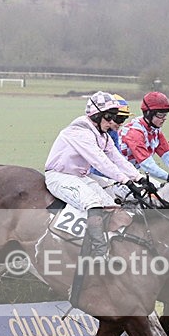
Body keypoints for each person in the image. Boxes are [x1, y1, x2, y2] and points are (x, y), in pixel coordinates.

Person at [44, 91, 143, 261]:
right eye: (109, 117)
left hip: (80, 177)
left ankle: (111, 241)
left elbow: (117, 158)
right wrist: (126, 181)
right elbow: (100, 162)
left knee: (110, 204)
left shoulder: (102, 135)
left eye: (114, 117)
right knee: (93, 203)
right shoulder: (79, 132)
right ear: (96, 115)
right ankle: (99, 252)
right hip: (59, 176)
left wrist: (139, 178)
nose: (112, 122)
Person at [119, 91, 169, 182]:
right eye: (160, 115)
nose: (164, 119)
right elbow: (147, 165)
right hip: (116, 175)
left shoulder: (154, 130)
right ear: (148, 114)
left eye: (165, 115)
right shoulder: (134, 133)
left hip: (132, 172)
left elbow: (168, 155)